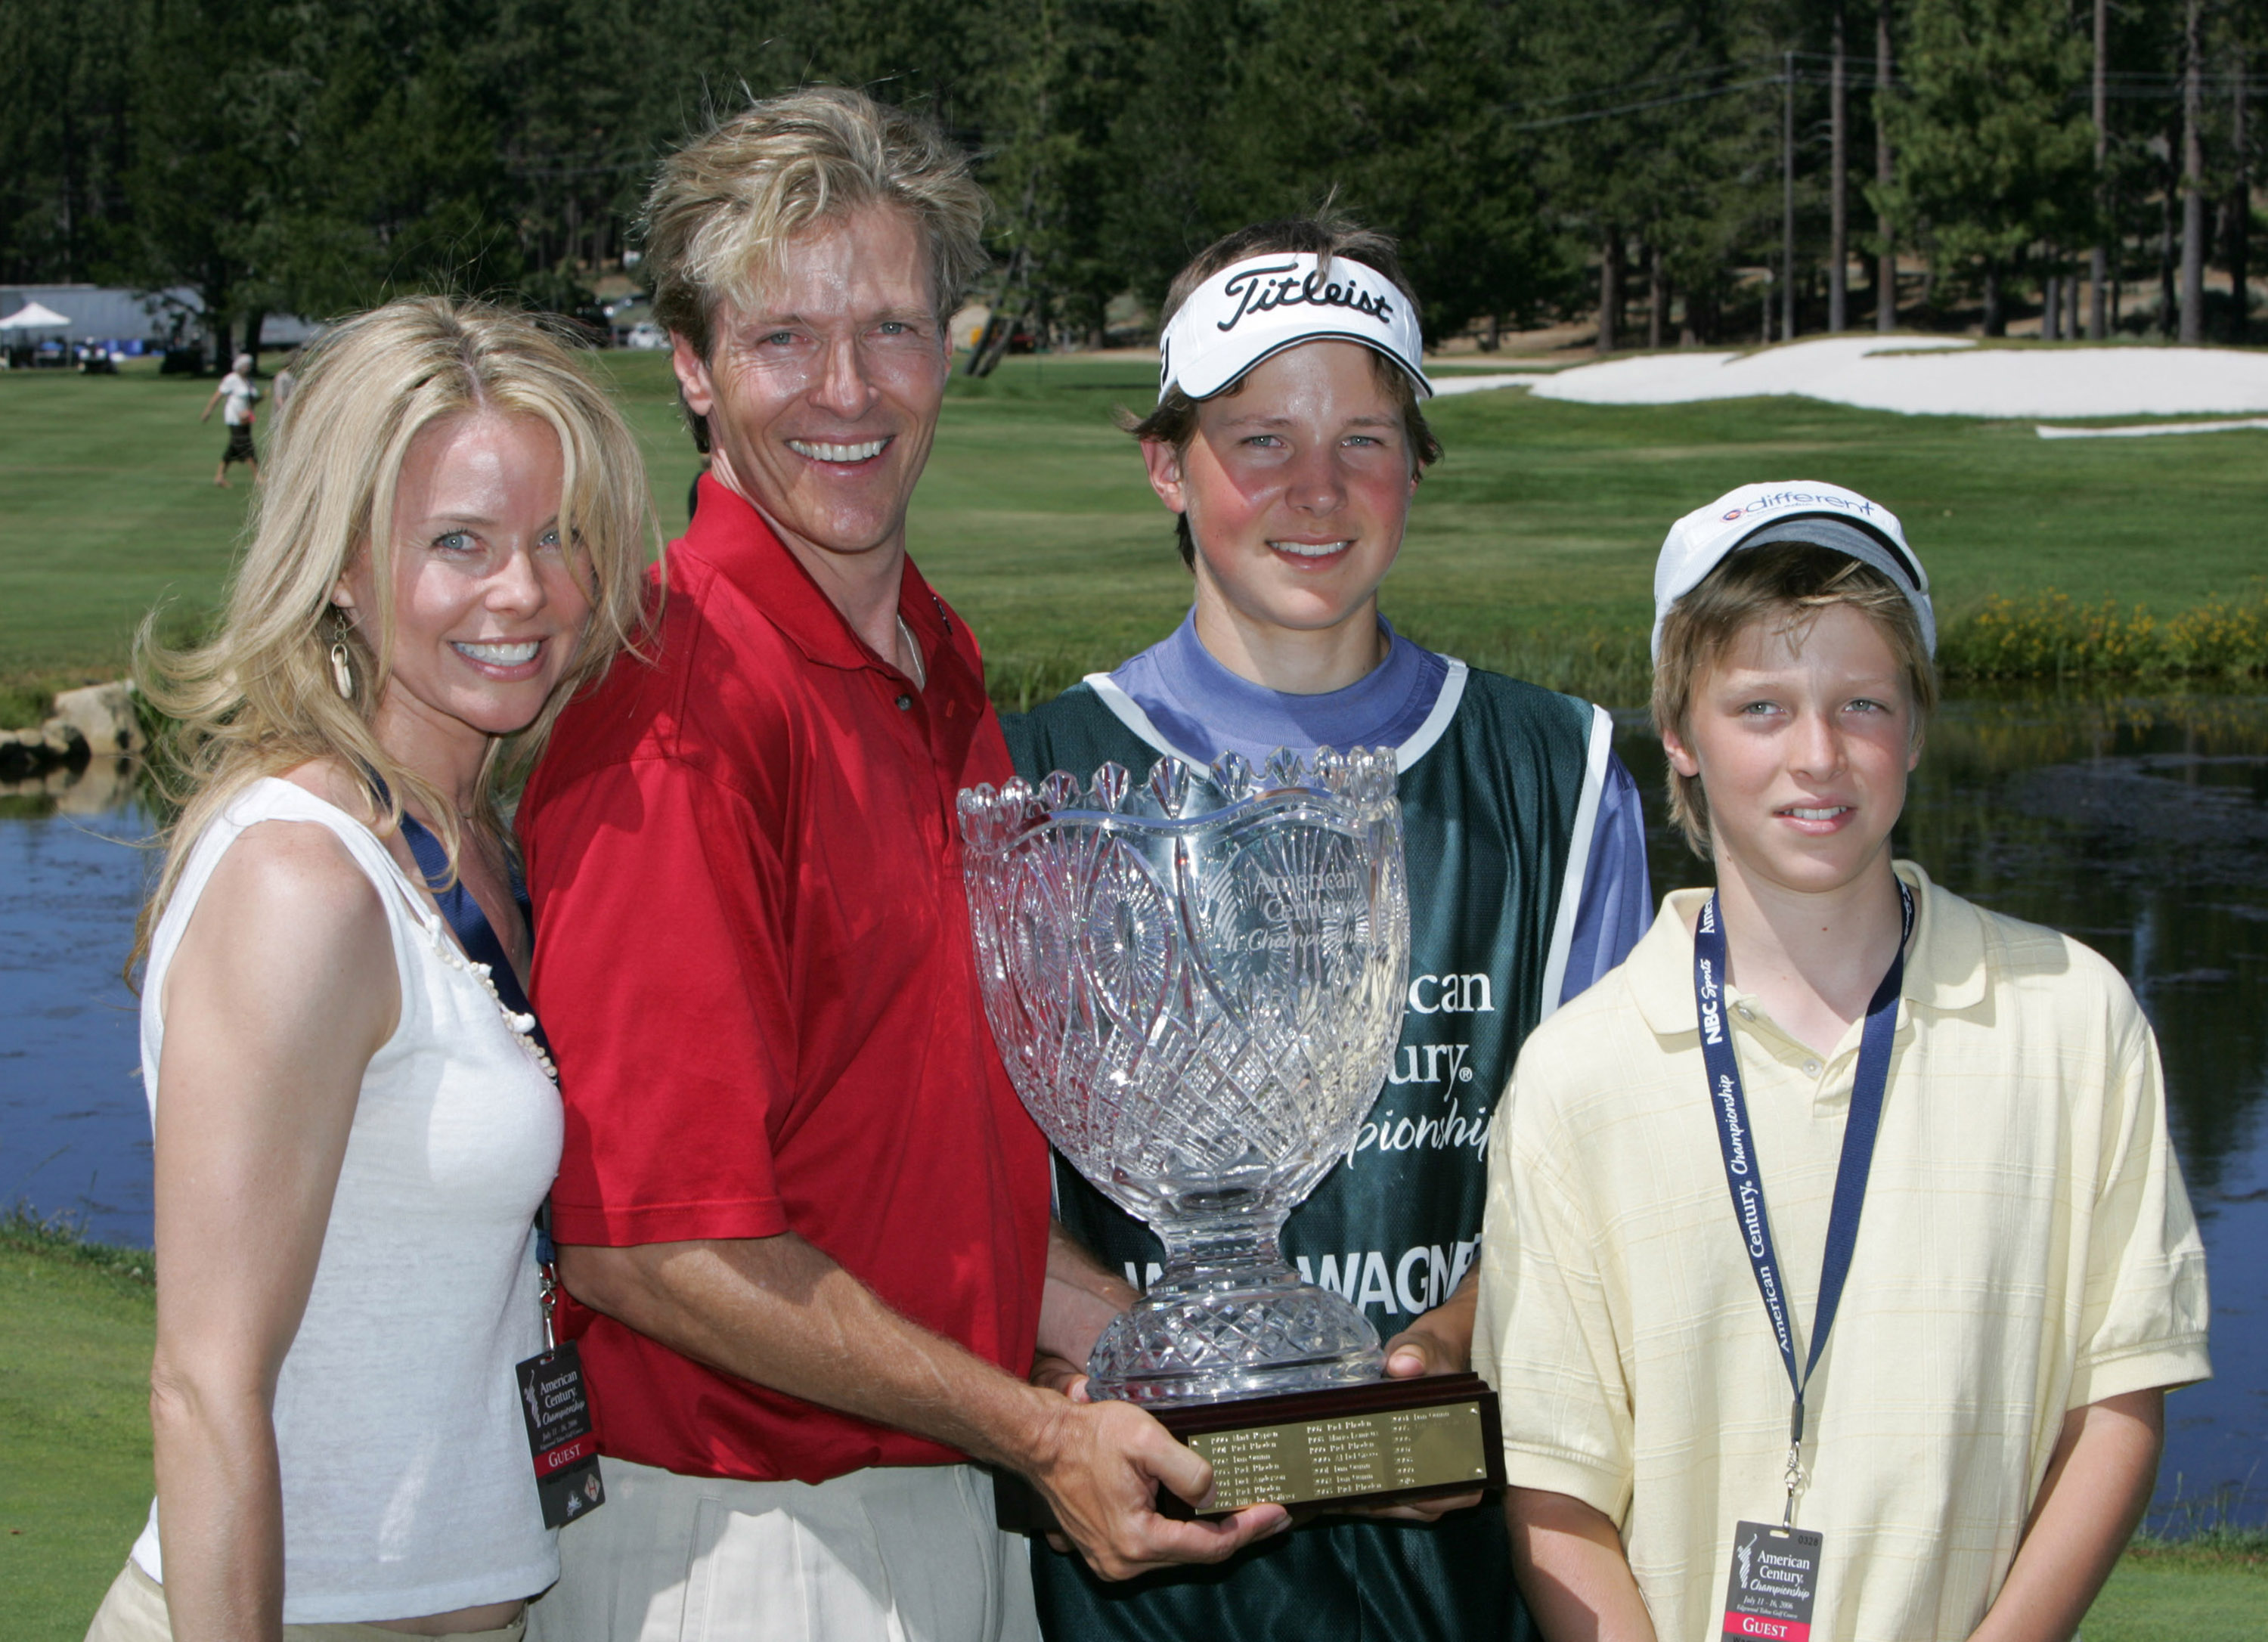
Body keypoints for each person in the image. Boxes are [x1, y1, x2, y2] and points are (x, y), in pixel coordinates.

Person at [514, 88, 1286, 1642]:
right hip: (740, 1553)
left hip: (930, 1506)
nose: (846, 389)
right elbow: (654, 1244)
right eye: (782, 338)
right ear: (691, 367)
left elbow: (936, 1188)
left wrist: (1212, 1372)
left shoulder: (934, 666)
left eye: (891, 328)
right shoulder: (676, 703)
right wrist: (1040, 1431)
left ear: (954, 347)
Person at [1002, 215, 1652, 1642]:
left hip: (1462, 1576)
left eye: (1365, 437)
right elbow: (964, 1177)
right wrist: (1120, 1351)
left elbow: (1622, 1176)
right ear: (1169, 464)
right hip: (1136, 1587)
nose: (1317, 488)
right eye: (1260, 439)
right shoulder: (1031, 779)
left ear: (1416, 463)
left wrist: (1439, 1360)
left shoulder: (1562, 773)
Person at [1475, 482, 2213, 1641]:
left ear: (1915, 726)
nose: (1816, 757)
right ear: (1679, 731)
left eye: (1861, 704)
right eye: (1760, 706)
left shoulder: (2074, 1019)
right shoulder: (1578, 1077)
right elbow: (1556, 1488)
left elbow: (2117, 1402)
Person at [82, 297, 655, 1642]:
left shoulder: (474, 844)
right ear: (340, 562)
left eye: (560, 537)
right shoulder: (306, 877)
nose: (525, 592)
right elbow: (205, 1385)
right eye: (458, 543)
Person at [200, 352, 262, 487]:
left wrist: (253, 406)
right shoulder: (231, 379)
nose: (248, 368)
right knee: (246, 445)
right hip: (234, 418)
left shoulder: (249, 381)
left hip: (246, 418)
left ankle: (219, 476)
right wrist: (208, 412)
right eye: (246, 365)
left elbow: (251, 400)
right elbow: (218, 395)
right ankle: (258, 476)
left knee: (234, 447)